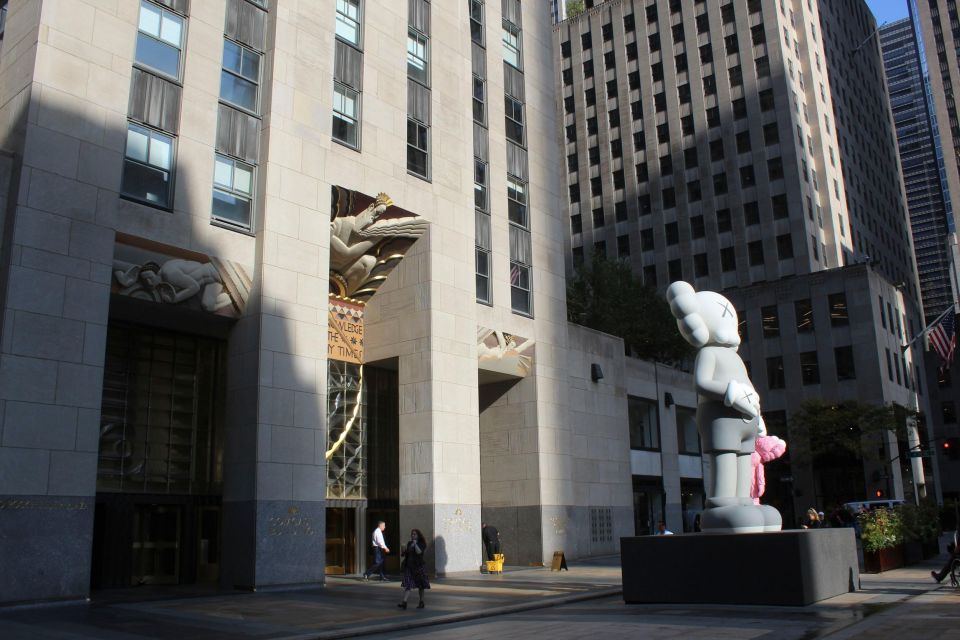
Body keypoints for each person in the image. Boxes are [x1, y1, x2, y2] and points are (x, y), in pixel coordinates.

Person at [398, 528, 431, 609]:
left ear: (418, 535)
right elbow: (405, 554)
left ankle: (421, 602)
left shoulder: (422, 543)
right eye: (412, 534)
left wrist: (415, 544)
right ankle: (404, 602)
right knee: (408, 584)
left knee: (421, 585)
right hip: (409, 567)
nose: (413, 535)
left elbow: (419, 552)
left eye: (414, 534)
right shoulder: (409, 543)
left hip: (419, 567)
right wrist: (403, 551)